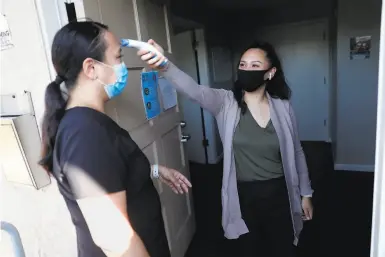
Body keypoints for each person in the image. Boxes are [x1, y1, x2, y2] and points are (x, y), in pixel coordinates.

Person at [138, 40, 314, 257]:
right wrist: (164, 65)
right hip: (243, 194)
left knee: (282, 247)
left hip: (280, 190)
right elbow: (194, 91)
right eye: (243, 64)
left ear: (270, 72)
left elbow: (297, 151)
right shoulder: (225, 102)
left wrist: (305, 194)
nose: (247, 70)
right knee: (249, 248)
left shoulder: (283, 107)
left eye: (255, 65)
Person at [38, 21, 192, 257]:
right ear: (91, 68)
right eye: (118, 57)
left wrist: (153, 170)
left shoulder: (86, 125)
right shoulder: (86, 133)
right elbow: (114, 237)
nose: (123, 66)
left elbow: (110, 172)